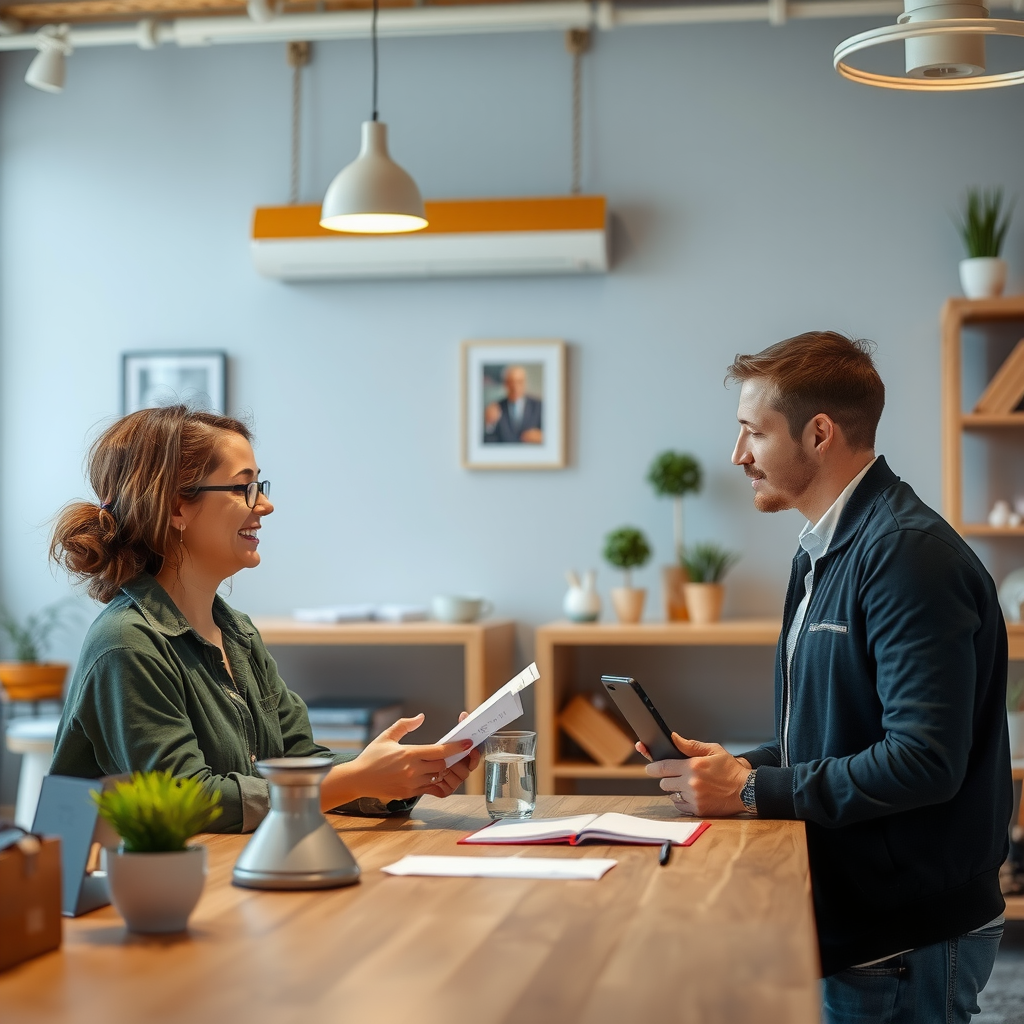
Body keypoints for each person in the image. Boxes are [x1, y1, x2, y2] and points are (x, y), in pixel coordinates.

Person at [641, 332, 1012, 1023]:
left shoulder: (906, 557)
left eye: (754, 432)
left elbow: (924, 761)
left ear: (818, 434)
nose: (738, 455)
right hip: (856, 914)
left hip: (905, 934)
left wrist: (749, 791)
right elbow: (836, 732)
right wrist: (739, 767)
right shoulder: (824, 551)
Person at [49, 406, 479, 832]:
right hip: (140, 877)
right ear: (177, 507)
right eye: (244, 488)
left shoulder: (237, 633)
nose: (266, 505)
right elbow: (188, 799)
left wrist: (404, 772)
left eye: (260, 486)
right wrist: (357, 779)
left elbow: (299, 760)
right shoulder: (126, 644)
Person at [484, 365, 543, 444]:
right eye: (511, 382)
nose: (515, 387)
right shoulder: (495, 408)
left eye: (519, 382)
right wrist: (488, 424)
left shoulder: (539, 406)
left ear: (525, 383)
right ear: (505, 384)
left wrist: (544, 437)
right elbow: (488, 441)